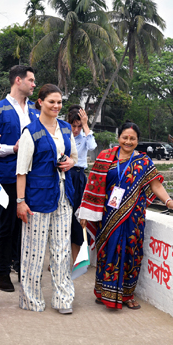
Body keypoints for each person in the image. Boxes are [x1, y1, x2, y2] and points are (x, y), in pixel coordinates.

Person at [78, 122, 173, 310]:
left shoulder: (144, 161)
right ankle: (103, 292)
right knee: (107, 252)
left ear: (137, 140)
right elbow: (93, 185)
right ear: (119, 137)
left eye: (132, 138)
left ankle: (128, 295)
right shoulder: (105, 158)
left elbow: (156, 185)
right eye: (125, 137)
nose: (128, 141)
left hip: (134, 217)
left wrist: (170, 203)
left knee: (132, 253)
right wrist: (86, 212)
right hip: (108, 216)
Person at [16, 84, 77, 314]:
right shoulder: (30, 132)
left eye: (59, 102)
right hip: (37, 198)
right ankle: (31, 299)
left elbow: (74, 157)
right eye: (52, 101)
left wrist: (70, 162)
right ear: (40, 102)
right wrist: (20, 202)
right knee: (34, 250)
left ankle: (63, 298)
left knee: (62, 249)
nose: (56, 106)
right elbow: (21, 171)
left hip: (63, 195)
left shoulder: (65, 128)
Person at [0, 65, 39, 292]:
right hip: (7, 175)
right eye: (31, 80)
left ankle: (23, 267)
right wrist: (12, 149)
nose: (34, 84)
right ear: (18, 80)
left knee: (27, 224)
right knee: (6, 225)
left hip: (32, 176)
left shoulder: (35, 110)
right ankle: (3, 271)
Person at [67, 105, 97, 262]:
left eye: (79, 126)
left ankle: (75, 259)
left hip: (79, 178)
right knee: (63, 217)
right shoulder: (63, 136)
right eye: (74, 126)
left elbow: (92, 147)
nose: (76, 130)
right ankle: (57, 259)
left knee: (78, 218)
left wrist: (86, 125)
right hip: (66, 176)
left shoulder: (85, 138)